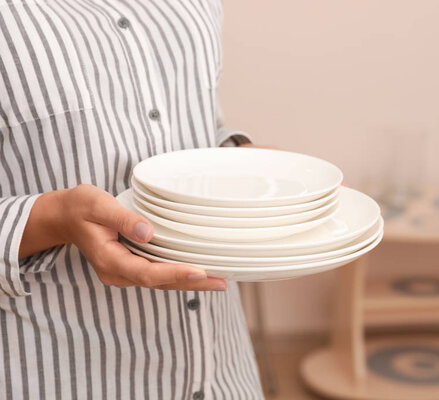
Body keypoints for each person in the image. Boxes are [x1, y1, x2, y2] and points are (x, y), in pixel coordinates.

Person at [0, 0, 263, 398]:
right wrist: (56, 218)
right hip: (61, 373)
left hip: (225, 373)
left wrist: (241, 159)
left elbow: (199, 123)